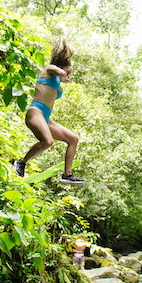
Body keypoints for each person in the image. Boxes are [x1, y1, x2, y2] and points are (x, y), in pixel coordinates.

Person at [13, 38, 85, 185]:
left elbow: (57, 86)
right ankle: (21, 162)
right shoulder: (49, 70)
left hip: (45, 117)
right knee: (47, 141)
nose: (68, 76)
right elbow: (57, 70)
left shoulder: (57, 83)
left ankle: (67, 174)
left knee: (73, 139)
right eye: (68, 72)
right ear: (62, 68)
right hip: (36, 112)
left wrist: (63, 80)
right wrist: (63, 74)